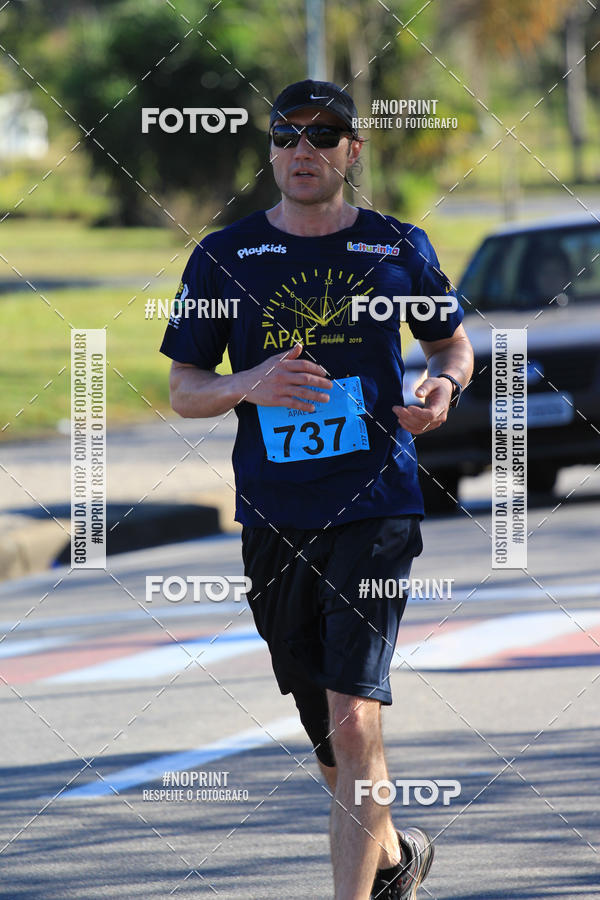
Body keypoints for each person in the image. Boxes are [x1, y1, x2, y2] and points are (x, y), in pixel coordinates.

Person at [160, 79, 474, 900]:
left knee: (353, 716)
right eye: (288, 135)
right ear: (270, 152)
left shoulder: (399, 245)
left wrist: (442, 390)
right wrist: (251, 381)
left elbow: (453, 347)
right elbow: (186, 388)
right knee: (328, 738)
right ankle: (396, 853)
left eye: (326, 135)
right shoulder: (223, 257)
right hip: (275, 515)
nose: (305, 150)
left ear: (353, 152)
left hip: (375, 504)